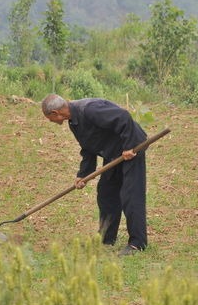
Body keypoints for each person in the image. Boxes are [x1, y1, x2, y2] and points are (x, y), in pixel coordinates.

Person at [41, 93, 148, 256]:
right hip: (114, 153)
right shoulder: (74, 122)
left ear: (55, 113)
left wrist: (129, 146)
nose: (51, 122)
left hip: (132, 148)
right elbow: (88, 148)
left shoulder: (89, 110)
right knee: (106, 193)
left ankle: (137, 244)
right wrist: (83, 175)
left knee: (130, 195)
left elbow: (123, 117)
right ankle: (106, 238)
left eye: (50, 118)